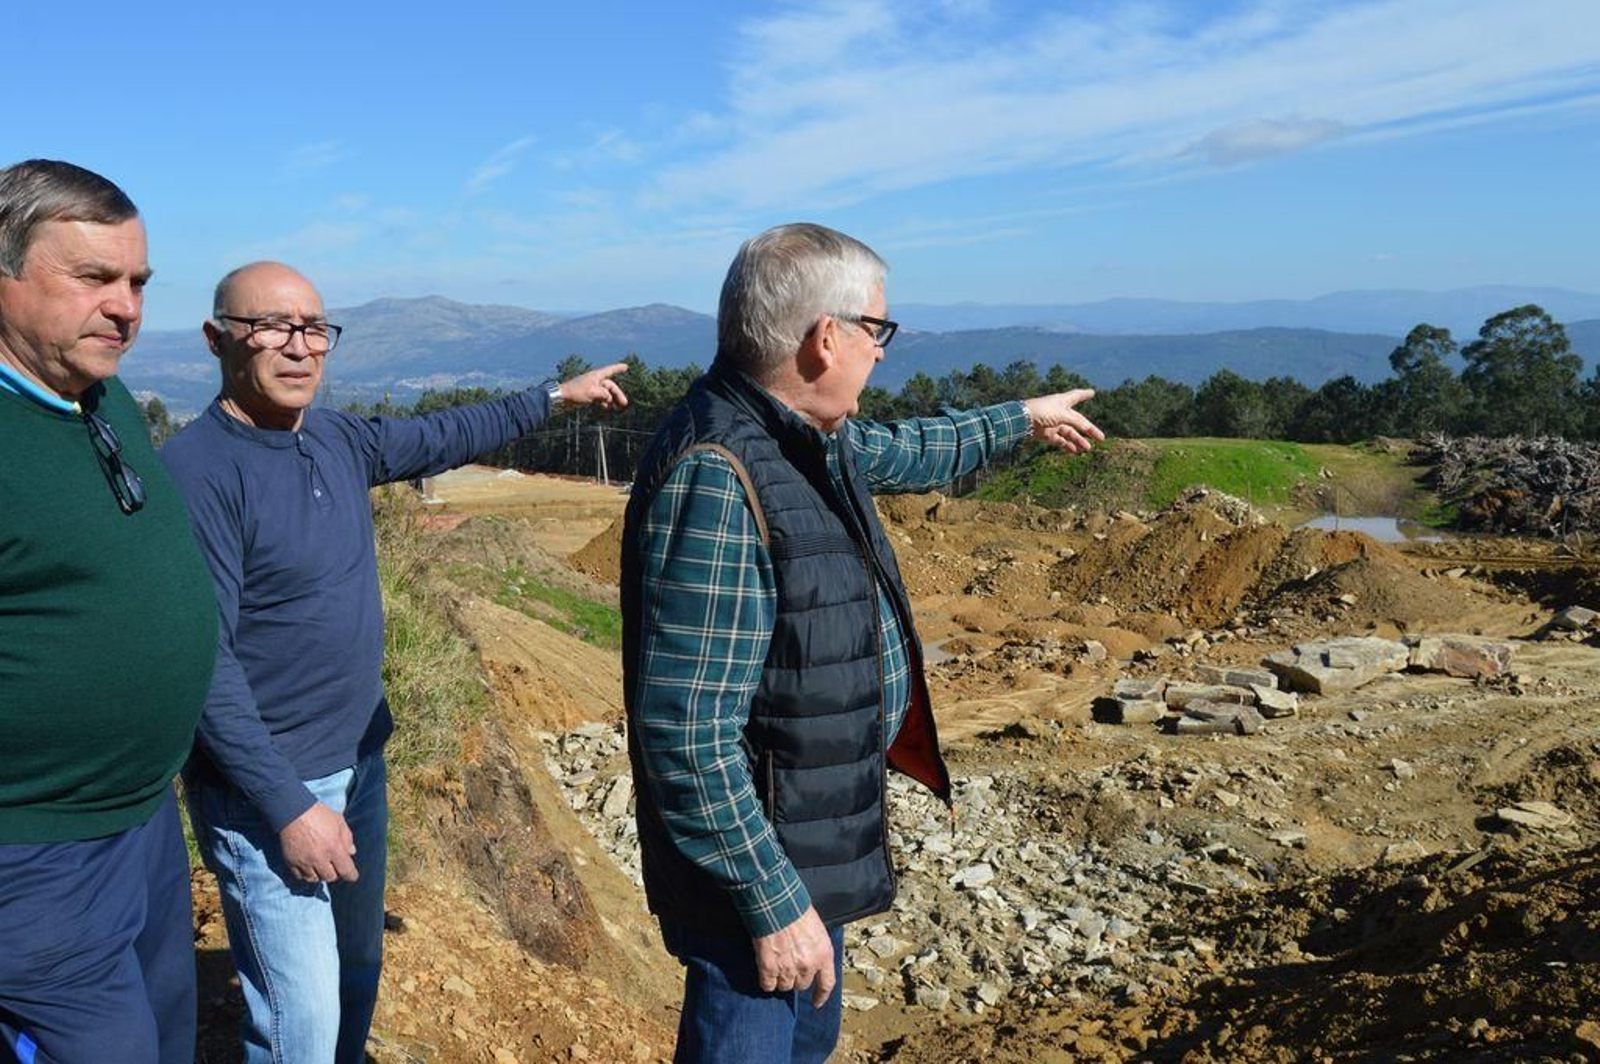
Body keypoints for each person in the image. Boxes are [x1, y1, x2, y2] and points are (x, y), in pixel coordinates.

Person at [622, 222, 1103, 1062]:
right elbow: (687, 737)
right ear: (825, 338)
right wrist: (772, 903)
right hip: (759, 882)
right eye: (877, 331)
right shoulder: (720, 475)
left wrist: (1016, 419)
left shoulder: (796, 433)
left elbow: (900, 450)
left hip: (804, 844)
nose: (883, 353)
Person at [160, 261, 628, 1064]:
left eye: (314, 329)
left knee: (355, 970)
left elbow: (448, 434)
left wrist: (555, 397)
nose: (301, 347)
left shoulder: (337, 439)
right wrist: (286, 806)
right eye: (272, 326)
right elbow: (205, 664)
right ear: (218, 340)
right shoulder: (200, 473)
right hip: (270, 791)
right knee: (297, 1031)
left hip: (359, 760)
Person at [0, 160, 218, 1064]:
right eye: (92, 277)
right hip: (34, 854)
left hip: (141, 821)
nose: (125, 307)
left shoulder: (101, 395)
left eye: (136, 282)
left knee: (169, 1038)